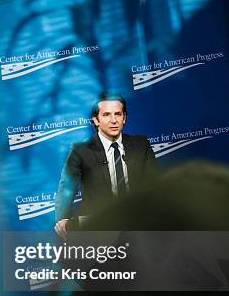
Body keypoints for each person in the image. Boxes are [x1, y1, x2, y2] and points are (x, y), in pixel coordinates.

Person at [54, 92, 157, 239]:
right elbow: (66, 188)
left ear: (124, 118)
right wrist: (61, 222)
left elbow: (154, 183)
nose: (113, 120)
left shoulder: (141, 144)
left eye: (118, 114)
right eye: (107, 115)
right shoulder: (80, 150)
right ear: (96, 120)